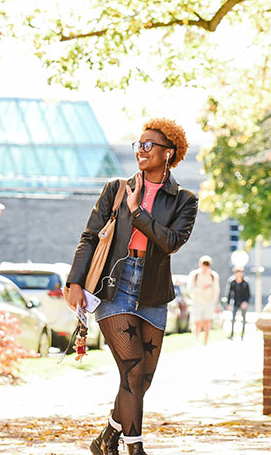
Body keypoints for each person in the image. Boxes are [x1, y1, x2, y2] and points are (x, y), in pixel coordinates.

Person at [67, 118, 197, 455]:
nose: (141, 150)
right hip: (115, 286)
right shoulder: (115, 188)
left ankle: (107, 436)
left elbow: (170, 242)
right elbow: (90, 236)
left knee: (142, 379)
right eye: (138, 145)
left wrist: (137, 210)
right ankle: (134, 447)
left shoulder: (184, 200)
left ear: (169, 153)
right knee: (133, 371)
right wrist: (74, 281)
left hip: (153, 291)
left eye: (148, 145)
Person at [187, 255, 220, 346]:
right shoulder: (195, 275)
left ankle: (205, 342)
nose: (205, 266)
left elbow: (216, 290)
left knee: (207, 322)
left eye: (207, 264)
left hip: (209, 303)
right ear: (200, 264)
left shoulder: (213, 276)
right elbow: (190, 290)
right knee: (197, 322)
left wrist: (213, 302)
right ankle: (196, 339)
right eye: (204, 264)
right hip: (197, 302)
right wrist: (202, 288)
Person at [226, 268, 250, 340]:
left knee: (243, 319)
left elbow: (248, 294)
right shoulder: (232, 282)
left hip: (243, 303)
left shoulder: (245, 282)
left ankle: (242, 335)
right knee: (233, 319)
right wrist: (228, 303)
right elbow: (230, 293)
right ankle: (232, 334)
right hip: (235, 302)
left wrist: (246, 302)